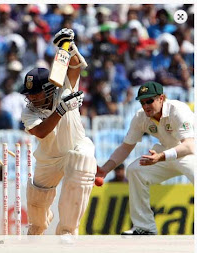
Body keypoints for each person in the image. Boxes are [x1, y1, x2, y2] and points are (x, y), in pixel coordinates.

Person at [20, 28, 97, 236]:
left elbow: (74, 67)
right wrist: (61, 110)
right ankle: (39, 228)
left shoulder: (63, 87)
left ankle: (67, 233)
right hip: (48, 158)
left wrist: (69, 46)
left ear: (48, 88)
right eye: (29, 94)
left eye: (35, 93)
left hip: (75, 146)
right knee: (36, 216)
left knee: (83, 160)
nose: (32, 98)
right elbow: (41, 132)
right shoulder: (28, 112)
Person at [97, 81, 195, 235]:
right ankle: (145, 227)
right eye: (143, 102)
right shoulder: (141, 117)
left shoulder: (178, 110)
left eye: (150, 101)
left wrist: (161, 156)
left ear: (161, 98)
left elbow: (189, 146)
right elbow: (125, 147)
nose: (146, 106)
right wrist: (105, 169)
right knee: (135, 170)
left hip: (190, 152)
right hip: (166, 152)